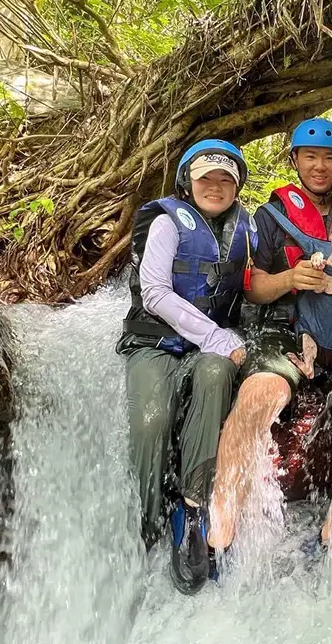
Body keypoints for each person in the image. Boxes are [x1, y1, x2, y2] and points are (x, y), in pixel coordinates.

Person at [209, 118, 332, 553]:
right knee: (261, 392)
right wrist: (289, 279)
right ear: (295, 159)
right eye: (311, 156)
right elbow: (254, 285)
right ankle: (219, 529)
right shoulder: (271, 215)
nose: (320, 166)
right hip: (288, 328)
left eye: (329, 158)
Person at [117, 139, 255, 595]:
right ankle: (148, 518)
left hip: (206, 352)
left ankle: (193, 509)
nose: (215, 186)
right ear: (188, 183)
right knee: (152, 423)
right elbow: (154, 291)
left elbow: (262, 282)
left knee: (216, 374)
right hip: (155, 344)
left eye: (225, 179)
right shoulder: (165, 222)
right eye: (205, 179)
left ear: (236, 187)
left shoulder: (246, 228)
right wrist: (216, 336)